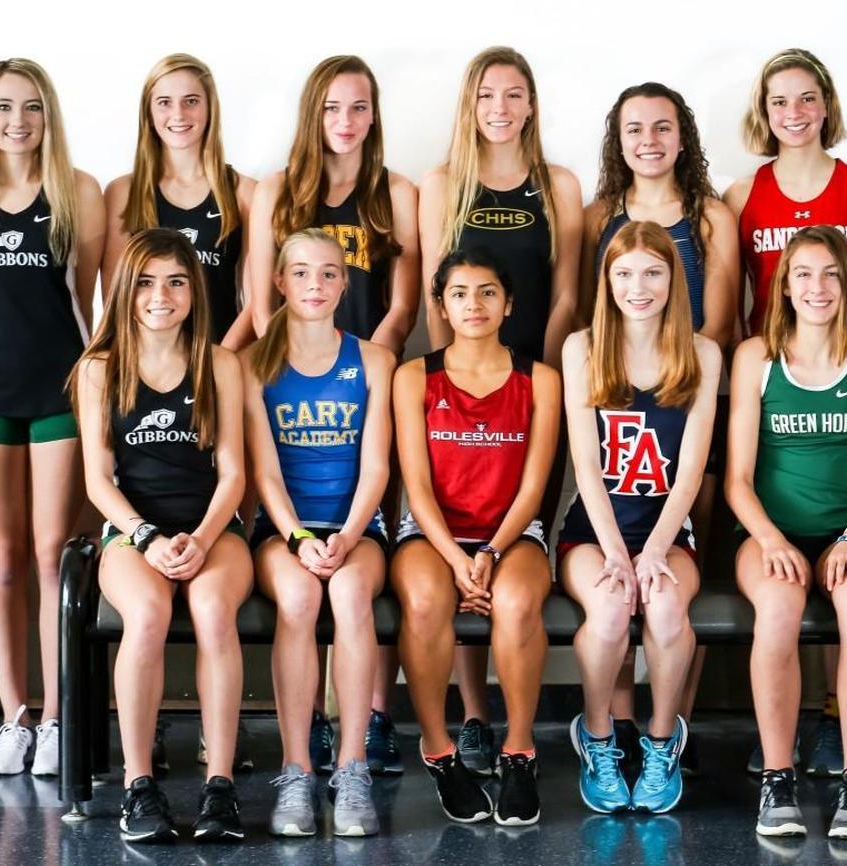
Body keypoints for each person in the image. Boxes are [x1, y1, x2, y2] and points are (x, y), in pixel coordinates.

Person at [724, 48, 847, 776]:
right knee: (779, 597)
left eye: (805, 99)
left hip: (845, 378)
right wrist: (774, 370)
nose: (792, 114)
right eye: (778, 101)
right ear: (763, 113)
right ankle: (771, 765)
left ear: (826, 105)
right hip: (775, 380)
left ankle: (844, 738)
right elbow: (736, 307)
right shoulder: (742, 194)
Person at [0, 58, 104, 777]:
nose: (17, 122)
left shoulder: (79, 193)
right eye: (4, 108)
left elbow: (87, 303)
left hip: (58, 395)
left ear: (47, 116)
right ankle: (14, 718)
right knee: (0, 557)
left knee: (48, 554)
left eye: (31, 108)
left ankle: (60, 717)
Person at [248, 56, 419, 774]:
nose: (344, 122)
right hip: (293, 380)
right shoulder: (279, 190)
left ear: (374, 115)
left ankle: (371, 724)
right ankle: (306, 745)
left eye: (358, 108)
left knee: (357, 581)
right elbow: (261, 301)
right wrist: (299, 358)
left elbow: (405, 304)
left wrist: (361, 366)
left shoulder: (395, 193)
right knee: (302, 589)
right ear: (312, 114)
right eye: (332, 109)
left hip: (363, 380)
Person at [418, 45, 581, 773]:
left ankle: (514, 716)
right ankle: (473, 714)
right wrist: (444, 384)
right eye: (488, 95)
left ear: (532, 105)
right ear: (470, 104)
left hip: (530, 394)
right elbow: (434, 297)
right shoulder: (443, 183)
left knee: (516, 536)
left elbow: (569, 294)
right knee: (454, 528)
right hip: (455, 393)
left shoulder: (558, 185)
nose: (501, 108)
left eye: (515, 95)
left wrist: (538, 377)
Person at [581, 81, 740, 775]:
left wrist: (675, 379)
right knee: (618, 587)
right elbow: (580, 307)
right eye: (634, 128)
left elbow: (724, 320)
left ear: (684, 136)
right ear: (619, 141)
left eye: (662, 127)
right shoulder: (598, 216)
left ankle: (670, 730)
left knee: (676, 578)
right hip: (612, 402)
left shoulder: (709, 214)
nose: (649, 140)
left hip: (684, 402)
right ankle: (612, 734)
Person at [73, 228, 252, 843]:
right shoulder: (100, 368)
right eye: (147, 281)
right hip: (132, 532)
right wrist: (147, 537)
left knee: (211, 610)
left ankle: (220, 786)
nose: (161, 294)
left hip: (212, 527)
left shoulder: (220, 363)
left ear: (193, 291)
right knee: (147, 614)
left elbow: (233, 473)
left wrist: (201, 538)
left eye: (176, 280)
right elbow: (98, 482)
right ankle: (138, 787)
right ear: (125, 291)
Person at [726, 225, 847, 840]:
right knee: (776, 610)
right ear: (784, 285)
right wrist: (772, 541)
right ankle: (779, 779)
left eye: (830, 273)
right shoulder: (757, 356)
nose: (817, 286)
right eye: (803, 273)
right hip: (772, 534)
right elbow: (738, 480)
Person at [392, 247, 560, 825]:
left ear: (508, 303)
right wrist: (456, 560)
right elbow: (416, 485)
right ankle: (439, 751)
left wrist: (487, 554)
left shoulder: (540, 379)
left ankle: (518, 751)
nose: (474, 304)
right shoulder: (414, 376)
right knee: (424, 599)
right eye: (459, 293)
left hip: (509, 533)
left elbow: (535, 487)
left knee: (515, 601)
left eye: (488, 292)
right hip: (433, 530)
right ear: (441, 304)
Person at [561, 220, 720, 814]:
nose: (638, 286)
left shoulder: (702, 353)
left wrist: (652, 551)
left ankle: (660, 742)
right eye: (624, 274)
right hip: (593, 532)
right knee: (607, 608)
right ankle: (597, 737)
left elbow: (689, 473)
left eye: (653, 272)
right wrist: (615, 555)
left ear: (673, 279)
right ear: (607, 280)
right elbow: (587, 469)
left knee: (668, 606)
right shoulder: (583, 348)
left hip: (667, 531)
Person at [242, 229, 394, 836]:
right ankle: (298, 769)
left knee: (352, 595)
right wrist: (299, 538)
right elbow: (264, 472)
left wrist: (350, 535)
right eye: (301, 273)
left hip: (356, 526)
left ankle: (353, 767)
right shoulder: (253, 364)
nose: (315, 285)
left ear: (344, 283)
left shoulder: (374, 359)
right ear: (279, 281)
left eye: (329, 273)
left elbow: (378, 466)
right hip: (284, 530)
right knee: (301, 597)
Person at [104, 53, 256, 350]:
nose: (179, 114)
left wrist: (220, 362)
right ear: (148, 112)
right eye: (164, 102)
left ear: (210, 108)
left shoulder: (243, 192)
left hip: (222, 357)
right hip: (147, 367)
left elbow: (256, 303)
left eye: (191, 101)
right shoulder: (123, 192)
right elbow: (115, 298)